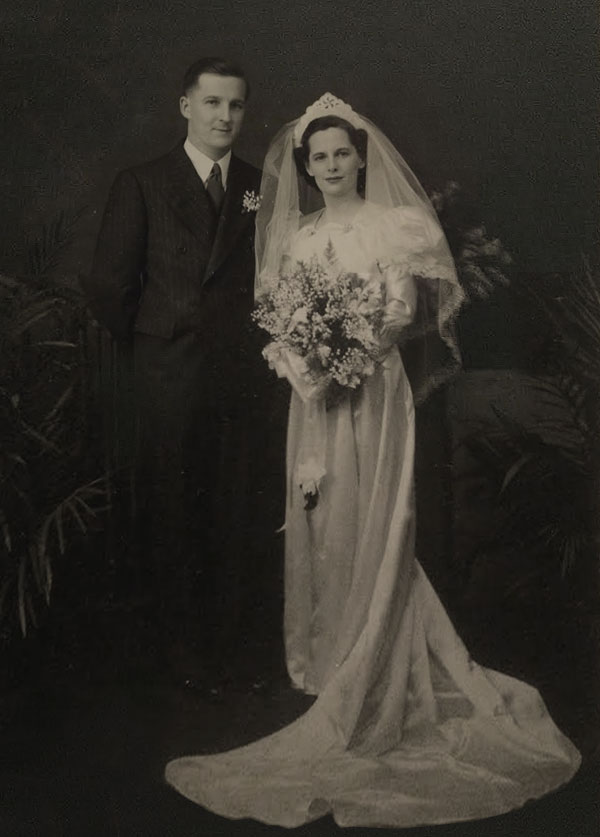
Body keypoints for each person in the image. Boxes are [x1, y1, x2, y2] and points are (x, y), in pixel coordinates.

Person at [164, 94, 581, 828]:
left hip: (372, 391)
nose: (328, 166)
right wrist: (303, 364)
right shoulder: (296, 235)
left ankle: (376, 656)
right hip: (314, 399)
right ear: (307, 165)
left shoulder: (395, 226)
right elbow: (284, 315)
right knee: (320, 513)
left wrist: (343, 358)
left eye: (339, 153)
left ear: (361, 157)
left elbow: (396, 311)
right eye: (316, 157)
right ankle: (325, 661)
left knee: (375, 511)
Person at [84, 58, 275, 687]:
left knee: (233, 508)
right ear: (185, 106)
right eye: (213, 103)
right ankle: (180, 654)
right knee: (172, 509)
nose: (225, 117)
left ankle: (229, 647)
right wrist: (159, 338)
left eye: (236, 106)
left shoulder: (259, 183)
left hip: (240, 373)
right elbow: (110, 288)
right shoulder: (142, 182)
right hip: (169, 373)